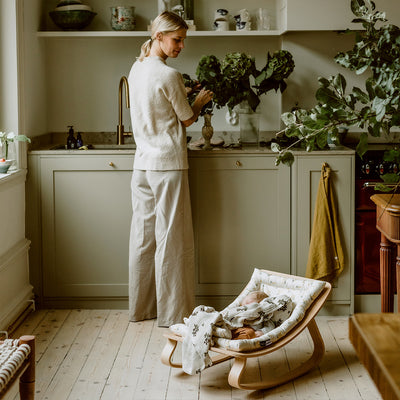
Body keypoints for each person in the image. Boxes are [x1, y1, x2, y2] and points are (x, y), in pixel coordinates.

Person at [127, 11, 213, 328]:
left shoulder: (136, 69)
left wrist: (185, 96)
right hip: (167, 164)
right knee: (172, 239)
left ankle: (141, 307)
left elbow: (159, 105)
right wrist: (199, 100)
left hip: (142, 165)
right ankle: (174, 314)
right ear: (160, 36)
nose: (180, 46)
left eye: (183, 41)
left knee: (143, 237)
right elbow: (187, 118)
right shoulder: (169, 75)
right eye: (177, 40)